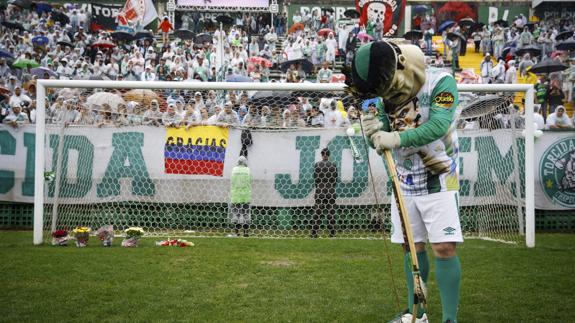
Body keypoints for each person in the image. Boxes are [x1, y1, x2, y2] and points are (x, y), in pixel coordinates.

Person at [350, 40, 462, 323]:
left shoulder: (442, 82)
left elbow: (438, 126)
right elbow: (380, 136)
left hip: (440, 177)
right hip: (402, 180)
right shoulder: (377, 95)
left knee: (444, 247)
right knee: (411, 246)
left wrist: (397, 137)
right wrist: (373, 130)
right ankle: (417, 313)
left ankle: (450, 319)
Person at [312, 148, 338, 238]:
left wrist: (319, 187)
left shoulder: (317, 165)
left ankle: (314, 233)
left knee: (318, 212)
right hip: (330, 191)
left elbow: (315, 178)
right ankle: (332, 233)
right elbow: (335, 179)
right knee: (331, 212)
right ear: (329, 155)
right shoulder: (333, 165)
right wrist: (331, 186)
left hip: (320, 191)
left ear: (322, 155)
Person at [229, 156, 252, 237]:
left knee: (236, 214)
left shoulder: (234, 170)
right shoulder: (247, 170)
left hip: (235, 195)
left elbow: (232, 181)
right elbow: (250, 180)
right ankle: (246, 233)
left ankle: (237, 233)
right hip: (245, 195)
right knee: (246, 214)